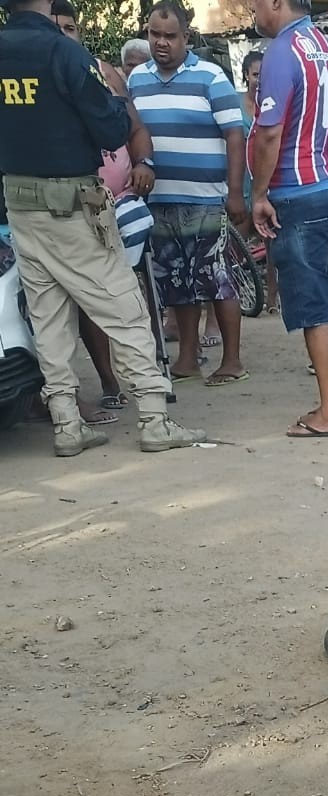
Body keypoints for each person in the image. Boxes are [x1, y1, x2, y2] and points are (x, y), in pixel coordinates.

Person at [0, 0, 204, 456]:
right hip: (71, 204)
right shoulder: (63, 53)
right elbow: (113, 130)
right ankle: (155, 419)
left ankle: (67, 425)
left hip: (19, 203)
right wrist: (116, 105)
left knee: (49, 317)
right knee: (124, 306)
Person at [128, 1, 248, 387]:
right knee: (174, 282)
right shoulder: (136, 80)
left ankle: (231, 361)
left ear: (187, 37)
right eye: (154, 34)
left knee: (216, 278)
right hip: (159, 201)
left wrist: (234, 192)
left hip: (205, 200)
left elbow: (235, 134)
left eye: (170, 36)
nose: (161, 43)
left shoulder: (211, 76)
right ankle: (187, 358)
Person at [249, 0, 328, 438]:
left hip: (297, 192)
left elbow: (270, 131)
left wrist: (258, 193)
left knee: (313, 309)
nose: (252, 11)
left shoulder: (282, 51)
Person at [49, 0, 155, 423]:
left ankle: (148, 388)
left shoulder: (104, 72)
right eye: (55, 27)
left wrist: (145, 164)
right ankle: (110, 383)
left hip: (123, 202)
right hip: (73, 207)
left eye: (70, 27)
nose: (63, 34)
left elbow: (135, 129)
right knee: (87, 297)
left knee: (127, 289)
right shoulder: (40, 76)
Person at [240, 48, 279, 315]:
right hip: (240, 180)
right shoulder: (234, 104)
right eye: (255, 74)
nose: (259, 79)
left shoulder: (273, 103)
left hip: (266, 180)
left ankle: (272, 299)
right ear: (246, 76)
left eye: (263, 74)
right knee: (236, 240)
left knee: (272, 242)